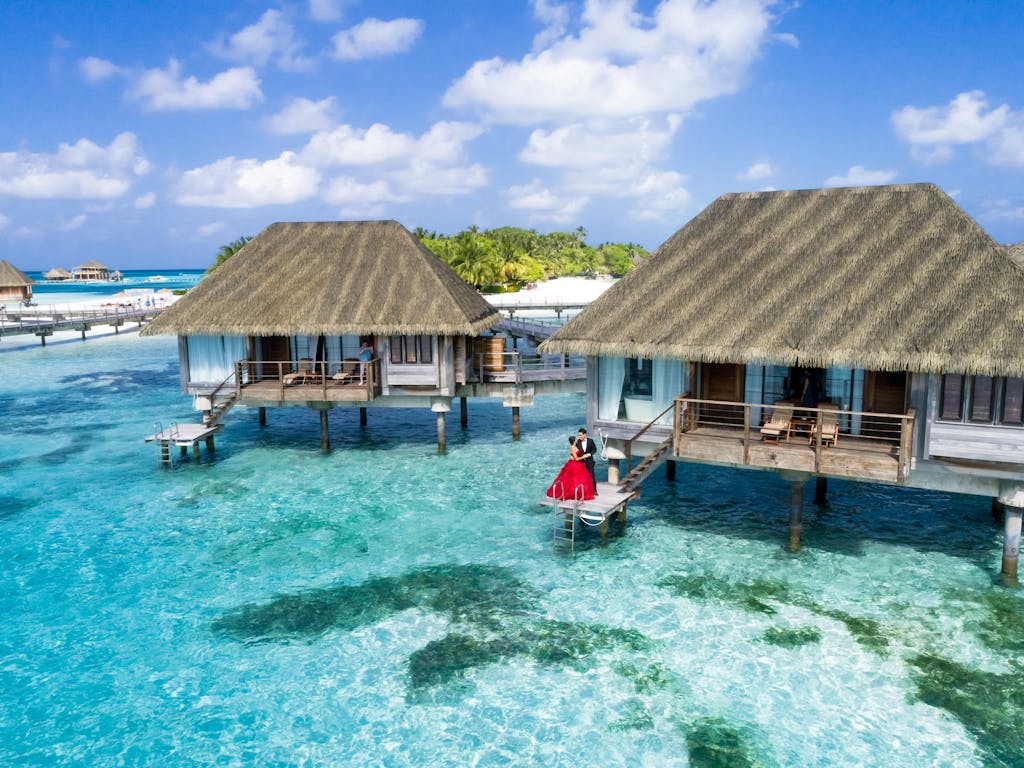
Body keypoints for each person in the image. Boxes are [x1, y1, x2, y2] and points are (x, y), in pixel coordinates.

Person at [546, 436, 596, 500]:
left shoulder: (576, 446)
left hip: (579, 464)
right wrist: (584, 456)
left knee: (580, 479)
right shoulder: (572, 448)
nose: (577, 439)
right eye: (576, 439)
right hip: (575, 464)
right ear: (574, 441)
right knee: (573, 480)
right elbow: (576, 459)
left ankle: (579, 492)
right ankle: (574, 493)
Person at [576, 428, 598, 496]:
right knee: (582, 477)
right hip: (581, 462)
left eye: (580, 435)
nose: (579, 437)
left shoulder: (590, 441)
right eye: (578, 435)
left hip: (590, 461)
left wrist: (589, 454)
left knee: (591, 475)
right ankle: (584, 491)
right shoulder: (578, 442)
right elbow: (575, 451)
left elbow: (595, 449)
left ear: (585, 434)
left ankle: (594, 490)